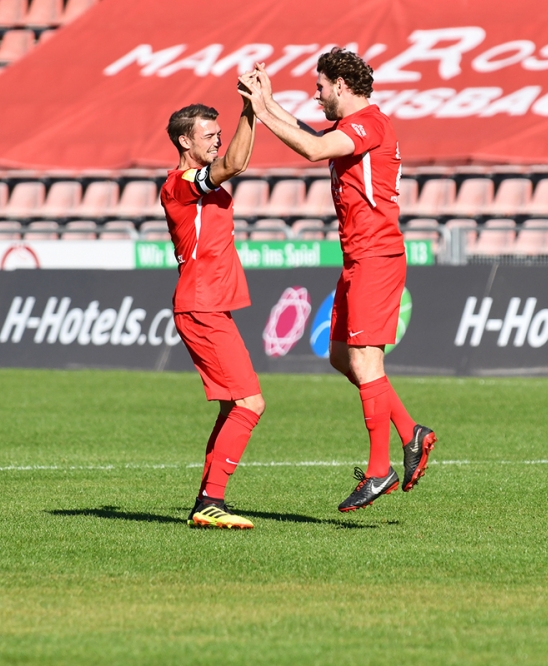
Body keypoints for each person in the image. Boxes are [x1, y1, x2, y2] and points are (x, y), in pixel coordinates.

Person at [238, 49, 436, 512]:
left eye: (321, 86)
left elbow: (311, 148)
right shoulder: (353, 128)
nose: (317, 94)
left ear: (342, 86)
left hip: (377, 258)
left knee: (367, 364)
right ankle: (412, 433)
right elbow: (313, 136)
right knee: (341, 357)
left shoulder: (370, 124)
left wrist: (264, 111)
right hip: (357, 260)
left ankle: (378, 470)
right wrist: (268, 102)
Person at [161, 86, 265, 530]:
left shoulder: (201, 182)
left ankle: (208, 500)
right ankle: (210, 501)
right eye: (208, 134)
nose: (216, 140)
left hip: (212, 305)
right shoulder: (180, 184)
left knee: (231, 408)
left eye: (219, 133)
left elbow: (232, 161)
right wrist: (249, 109)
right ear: (185, 141)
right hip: (200, 305)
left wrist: (250, 115)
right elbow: (235, 164)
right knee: (249, 404)